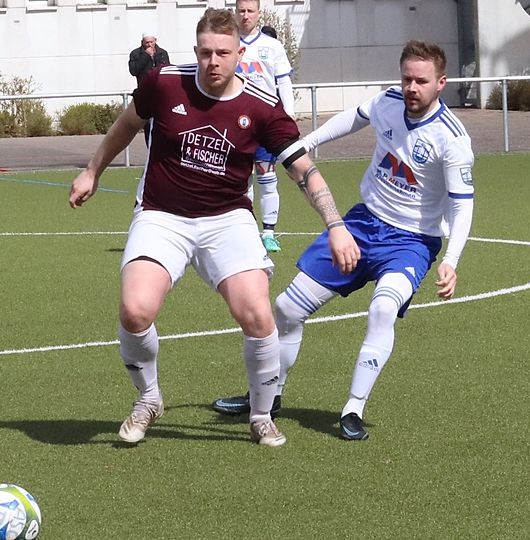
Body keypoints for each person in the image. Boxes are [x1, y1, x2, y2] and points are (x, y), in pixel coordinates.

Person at [70, 8, 359, 447]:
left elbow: (304, 170)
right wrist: (92, 171)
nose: (213, 61)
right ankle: (149, 398)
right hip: (162, 214)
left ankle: (261, 414)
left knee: (258, 314)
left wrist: (335, 225)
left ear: (239, 53)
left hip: (227, 220)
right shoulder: (164, 82)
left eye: (223, 53)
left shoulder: (261, 106)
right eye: (206, 52)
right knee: (135, 309)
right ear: (196, 50)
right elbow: (127, 125)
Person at [212, 40, 476, 442]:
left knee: (383, 309)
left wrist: (451, 259)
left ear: (441, 83)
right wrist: (307, 143)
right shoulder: (388, 102)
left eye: (421, 81)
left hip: (411, 241)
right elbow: (353, 117)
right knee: (286, 309)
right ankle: (267, 396)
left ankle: (353, 409)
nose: (411, 87)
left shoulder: (452, 139)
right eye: (406, 78)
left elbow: (462, 205)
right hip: (362, 225)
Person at [235, 0, 295, 253]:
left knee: (267, 177)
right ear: (235, 12)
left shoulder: (272, 46)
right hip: (234, 123)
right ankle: (245, 230)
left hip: (264, 123)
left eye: (250, 11)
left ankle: (269, 232)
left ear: (258, 14)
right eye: (241, 10)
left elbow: (284, 82)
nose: (245, 15)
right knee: (239, 179)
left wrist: (288, 115)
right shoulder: (228, 43)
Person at [128, 32, 170, 147]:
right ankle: (150, 148)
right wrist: (146, 56)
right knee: (148, 124)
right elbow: (133, 71)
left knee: (162, 122)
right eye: (147, 42)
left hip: (161, 93)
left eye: (151, 42)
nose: (149, 45)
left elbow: (167, 69)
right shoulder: (136, 54)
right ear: (142, 42)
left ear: (155, 41)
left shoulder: (162, 53)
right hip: (145, 93)